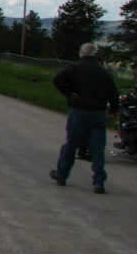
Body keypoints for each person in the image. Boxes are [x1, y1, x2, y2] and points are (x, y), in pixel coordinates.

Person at [49, 43, 119, 193]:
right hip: (98, 113)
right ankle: (98, 182)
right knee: (97, 148)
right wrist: (114, 109)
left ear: (81, 53)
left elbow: (57, 78)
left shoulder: (74, 68)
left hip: (79, 110)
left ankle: (62, 175)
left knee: (71, 144)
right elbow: (113, 92)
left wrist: (69, 92)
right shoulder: (104, 72)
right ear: (96, 55)